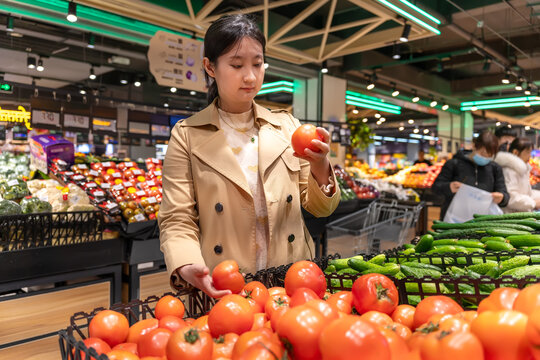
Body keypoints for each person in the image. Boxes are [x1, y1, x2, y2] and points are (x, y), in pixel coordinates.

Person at [158, 14, 340, 297]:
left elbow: (321, 209)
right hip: (225, 285)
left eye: (258, 64)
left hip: (291, 279)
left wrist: (320, 164)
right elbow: (176, 218)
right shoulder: (187, 135)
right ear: (210, 67)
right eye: (236, 64)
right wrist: (186, 263)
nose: (251, 76)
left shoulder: (287, 126)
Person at [432, 131, 509, 220]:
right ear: (474, 146)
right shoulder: (454, 164)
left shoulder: (495, 169)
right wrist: (449, 187)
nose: (485, 157)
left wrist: (502, 198)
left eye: (490, 155)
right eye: (483, 153)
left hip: (482, 221)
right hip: (454, 220)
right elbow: (436, 187)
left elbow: (504, 195)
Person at [494, 137, 540, 213]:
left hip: (521, 213)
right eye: (527, 152)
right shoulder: (509, 170)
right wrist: (533, 203)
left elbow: (527, 193)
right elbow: (511, 198)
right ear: (515, 152)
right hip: (510, 215)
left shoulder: (523, 168)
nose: (530, 156)